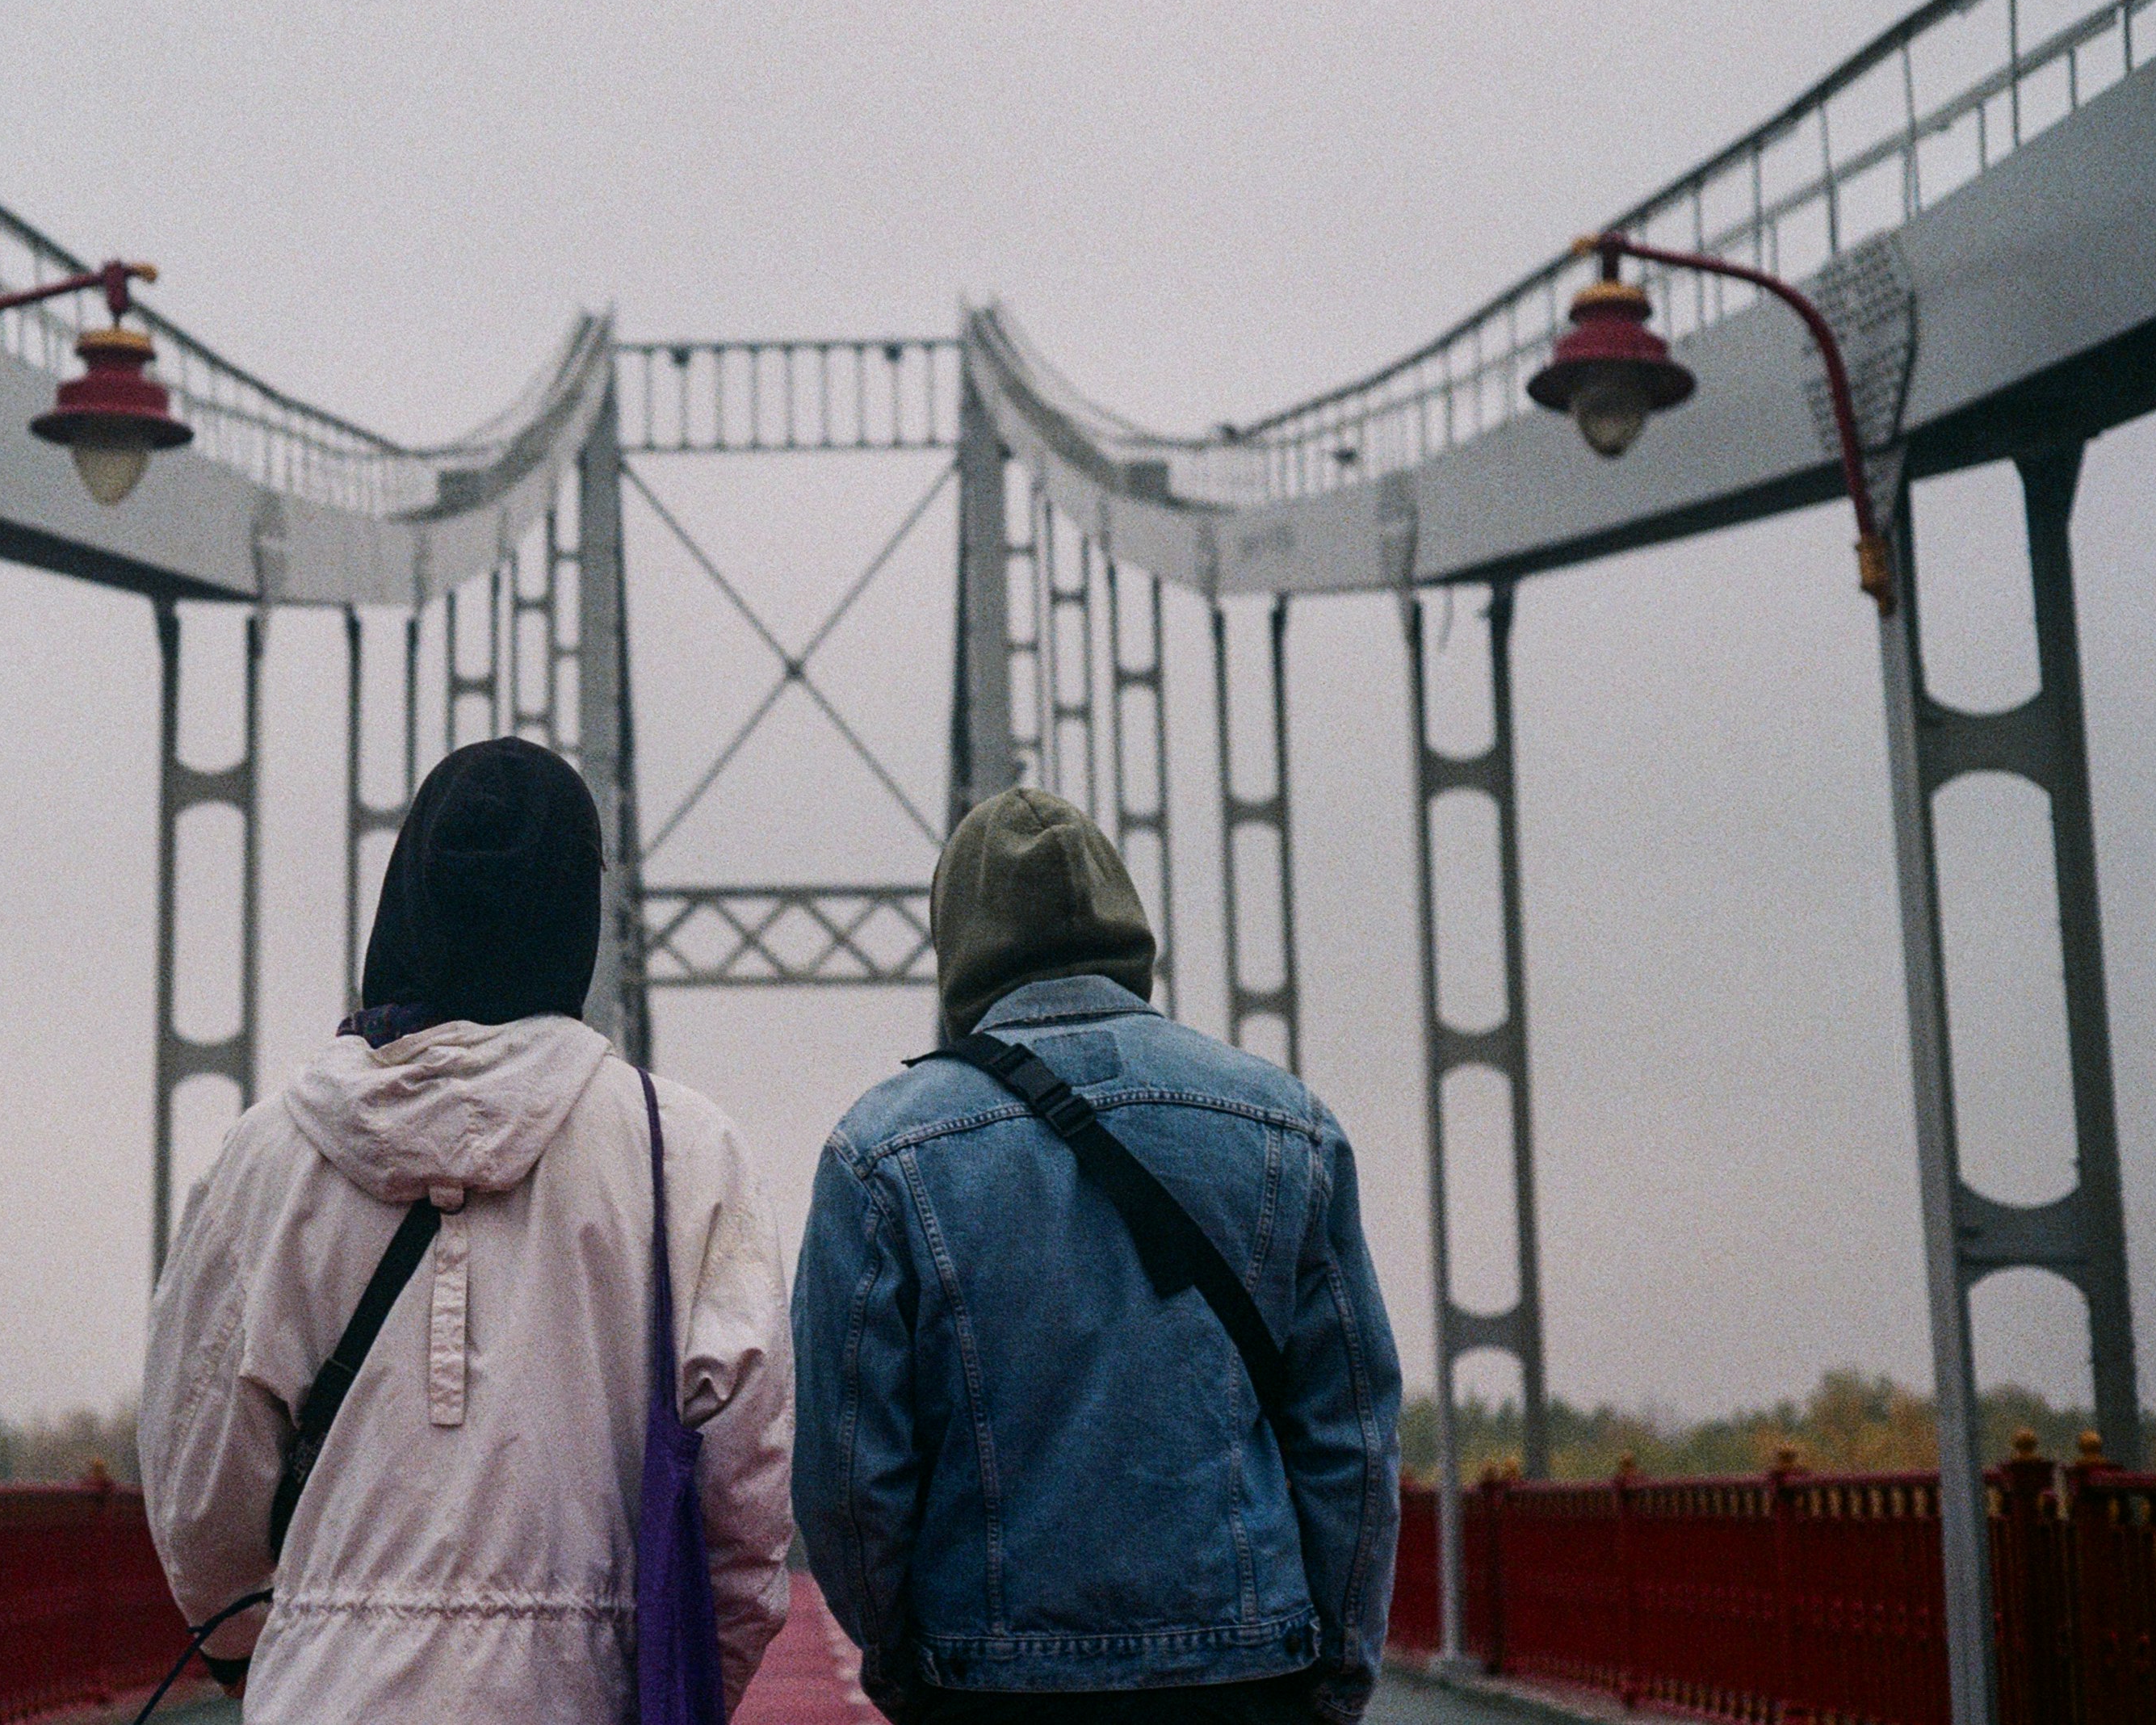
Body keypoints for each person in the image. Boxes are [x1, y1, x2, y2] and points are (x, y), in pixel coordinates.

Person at [140, 736, 795, 1720]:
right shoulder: (686, 1154)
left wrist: (288, 1645)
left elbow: (200, 1498)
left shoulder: (262, 1160)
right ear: (580, 910)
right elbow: (743, 1514)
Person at [792, 788, 1402, 1724]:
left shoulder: (878, 1154)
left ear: (960, 945)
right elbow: (1350, 1441)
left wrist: (906, 1662)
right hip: (1246, 1677)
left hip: (993, 1682)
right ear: (1128, 930)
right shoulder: (1288, 1126)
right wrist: (1334, 1673)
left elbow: (847, 1477)